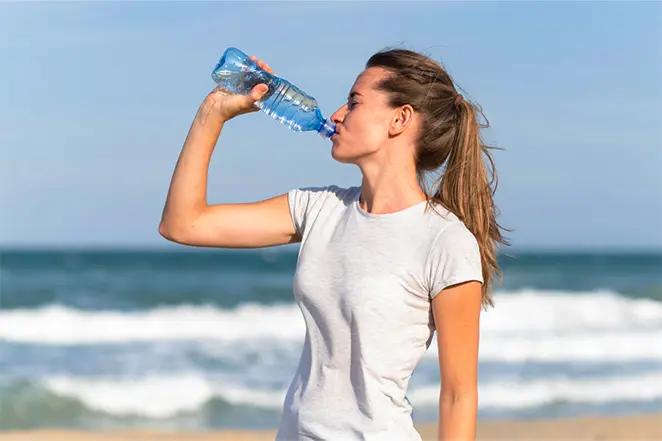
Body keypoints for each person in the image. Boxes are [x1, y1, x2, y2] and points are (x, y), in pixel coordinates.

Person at [159, 48, 509, 441]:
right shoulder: (319, 208)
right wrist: (213, 114)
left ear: (400, 119)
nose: (338, 114)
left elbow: (459, 395)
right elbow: (183, 224)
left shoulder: (444, 240)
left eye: (355, 102)